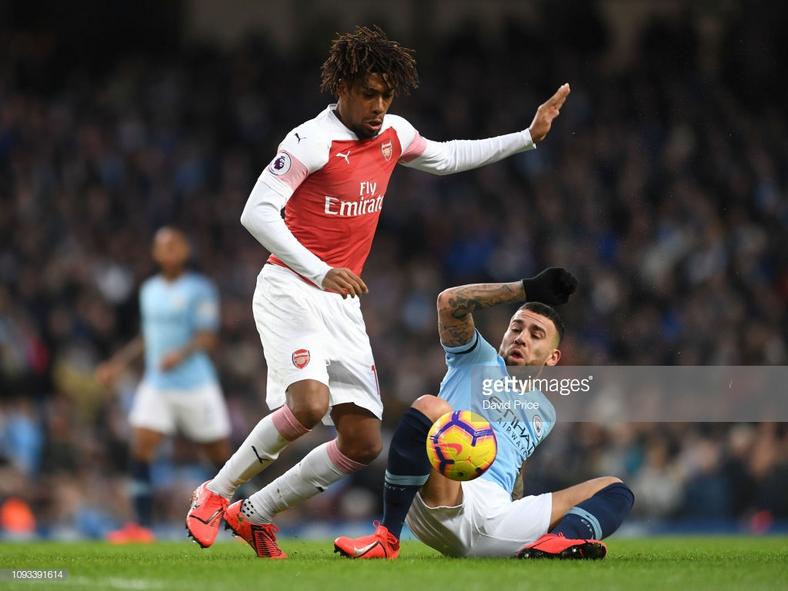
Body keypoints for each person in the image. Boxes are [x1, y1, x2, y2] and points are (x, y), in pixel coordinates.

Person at [186, 25, 571, 558]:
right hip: (291, 286)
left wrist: (526, 136)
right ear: (342, 87)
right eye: (370, 93)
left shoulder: (393, 133)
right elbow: (256, 213)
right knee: (309, 403)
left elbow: (449, 156)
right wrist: (319, 269)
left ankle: (252, 514)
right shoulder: (309, 141)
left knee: (363, 442)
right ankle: (213, 493)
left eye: (387, 94)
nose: (379, 105)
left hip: (341, 301)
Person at [334, 268, 635, 558]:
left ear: (553, 356)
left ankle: (554, 546)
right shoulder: (477, 358)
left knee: (615, 489)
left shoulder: (545, 412)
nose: (521, 337)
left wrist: (517, 505)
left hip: (499, 519)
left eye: (536, 334)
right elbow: (448, 303)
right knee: (431, 407)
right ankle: (387, 537)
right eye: (516, 328)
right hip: (445, 497)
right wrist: (523, 289)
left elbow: (516, 468)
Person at [97, 226, 231, 543]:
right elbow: (148, 337)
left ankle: (245, 515)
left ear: (185, 251)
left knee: (221, 457)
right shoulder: (149, 291)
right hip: (158, 384)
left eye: (174, 245)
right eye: (162, 246)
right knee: (141, 446)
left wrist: (180, 355)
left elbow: (207, 336)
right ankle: (141, 526)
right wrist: (118, 363)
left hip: (196, 383)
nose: (168, 251)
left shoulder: (200, 289)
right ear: (155, 254)